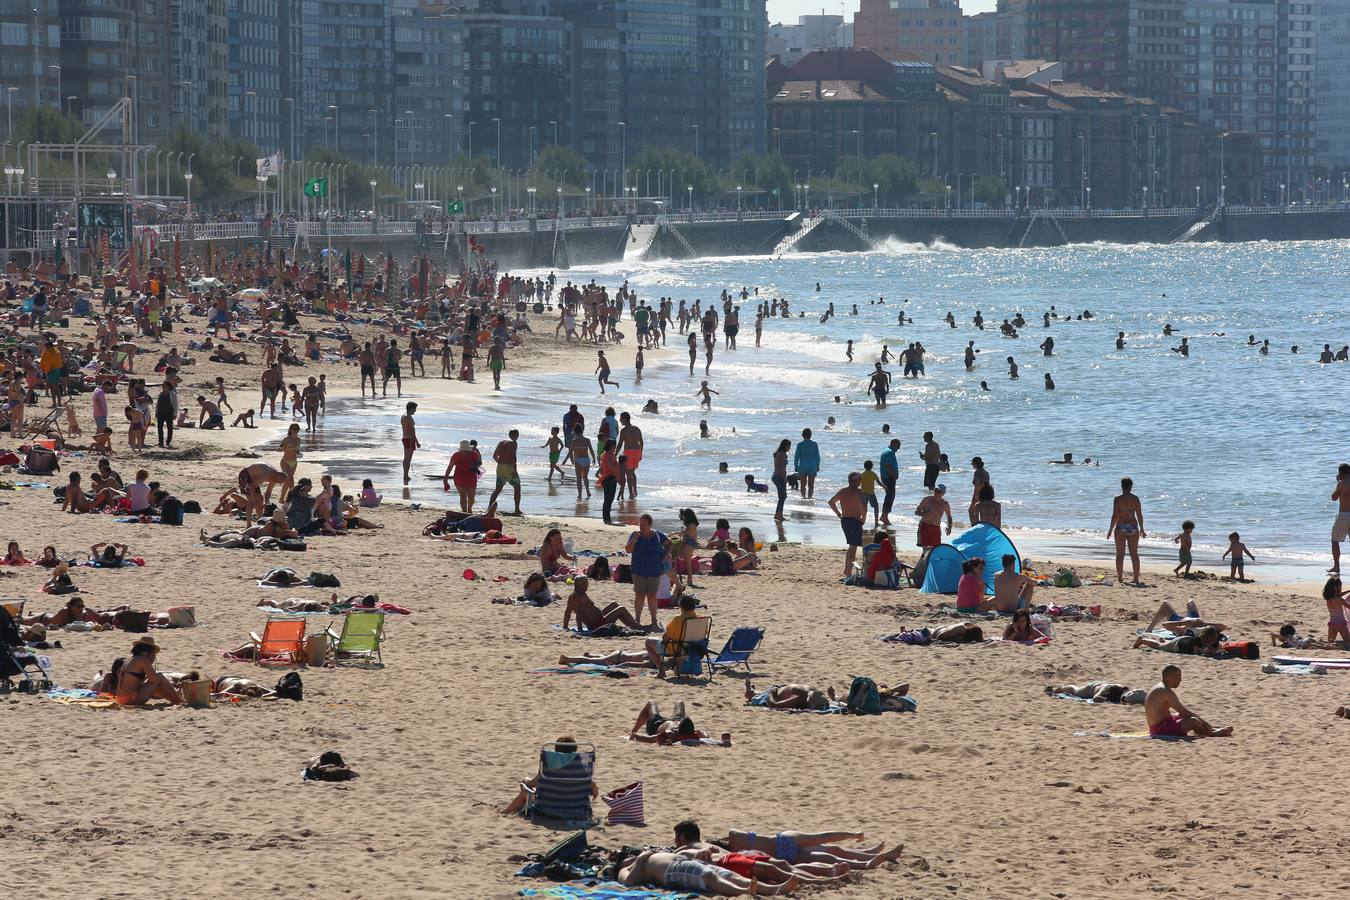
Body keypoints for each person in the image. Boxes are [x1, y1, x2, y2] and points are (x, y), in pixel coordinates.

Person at [615, 849, 794, 896]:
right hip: (673, 871)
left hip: (684, 862)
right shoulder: (624, 869)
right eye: (628, 857)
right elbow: (628, 883)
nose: (632, 856)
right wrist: (639, 859)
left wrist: (696, 854)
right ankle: (746, 891)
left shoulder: (642, 859)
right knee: (708, 877)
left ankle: (776, 888)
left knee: (732, 876)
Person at [500, 735, 598, 816]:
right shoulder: (580, 766)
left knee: (525, 789)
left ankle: (505, 812)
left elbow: (535, 782)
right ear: (575, 750)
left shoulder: (550, 762)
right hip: (576, 809)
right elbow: (590, 787)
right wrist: (593, 786)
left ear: (556, 750)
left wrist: (526, 783)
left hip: (548, 808)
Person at [1144, 665, 1232, 737]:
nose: (1180, 680)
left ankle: (1209, 728)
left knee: (1185, 714)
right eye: (1177, 677)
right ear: (1169, 677)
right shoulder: (1165, 691)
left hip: (1165, 723)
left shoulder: (1160, 687)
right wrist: (1206, 723)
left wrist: (1205, 723)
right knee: (1192, 720)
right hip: (1161, 729)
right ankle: (1210, 732)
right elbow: (1184, 711)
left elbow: (1182, 711)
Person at [626, 513, 670, 628]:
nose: (641, 526)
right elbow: (628, 550)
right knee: (639, 595)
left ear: (650, 525)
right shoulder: (634, 535)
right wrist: (634, 540)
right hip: (638, 570)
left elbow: (670, 544)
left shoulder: (657, 535)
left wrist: (663, 558)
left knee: (652, 595)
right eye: (640, 524)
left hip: (654, 570)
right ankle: (637, 619)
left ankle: (654, 620)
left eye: (644, 524)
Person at [114, 636, 185, 707]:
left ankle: (175, 700)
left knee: (156, 680)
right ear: (150, 652)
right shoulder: (143, 660)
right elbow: (154, 679)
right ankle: (179, 701)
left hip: (120, 699)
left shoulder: (130, 659)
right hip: (131, 699)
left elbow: (136, 680)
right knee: (159, 676)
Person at [629, 701, 730, 746]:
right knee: (680, 702)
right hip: (676, 721)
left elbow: (649, 739)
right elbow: (710, 739)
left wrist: (635, 735)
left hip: (657, 724)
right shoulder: (697, 734)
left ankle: (635, 728)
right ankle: (635, 728)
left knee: (651, 703)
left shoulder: (670, 734)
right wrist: (724, 740)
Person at [563, 576, 640, 631]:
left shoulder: (572, 596)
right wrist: (580, 628)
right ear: (582, 585)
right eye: (587, 584)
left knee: (614, 604)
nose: (587, 586)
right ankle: (636, 626)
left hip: (597, 620)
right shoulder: (581, 596)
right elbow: (579, 613)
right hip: (598, 624)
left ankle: (631, 625)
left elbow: (567, 612)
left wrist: (565, 626)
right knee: (621, 609)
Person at [828, 472, 868, 579]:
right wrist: (863, 519)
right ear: (855, 481)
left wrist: (838, 514)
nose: (861, 481)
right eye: (860, 479)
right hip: (855, 521)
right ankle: (848, 573)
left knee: (851, 546)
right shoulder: (858, 492)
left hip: (845, 520)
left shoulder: (843, 491)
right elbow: (864, 507)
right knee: (853, 547)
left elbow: (831, 502)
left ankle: (847, 570)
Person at [1107, 477, 1145, 586]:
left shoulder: (1118, 499)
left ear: (1122, 486)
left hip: (1120, 527)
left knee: (1120, 554)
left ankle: (1120, 578)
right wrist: (1142, 528)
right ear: (1131, 486)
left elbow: (1115, 516)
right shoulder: (1135, 499)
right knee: (1134, 554)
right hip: (1133, 527)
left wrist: (1110, 529)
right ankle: (1136, 579)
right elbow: (1139, 515)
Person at [443, 440, 480, 513]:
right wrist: (445, 478)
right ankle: (465, 512)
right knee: (463, 496)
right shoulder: (456, 455)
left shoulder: (474, 454)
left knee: (471, 496)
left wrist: (475, 465)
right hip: (459, 477)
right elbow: (450, 467)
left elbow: (479, 462)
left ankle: (469, 509)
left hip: (471, 477)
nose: (465, 452)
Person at [914, 484, 952, 552]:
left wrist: (949, 527)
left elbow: (949, 517)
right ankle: (925, 561)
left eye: (938, 491)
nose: (936, 493)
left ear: (943, 493)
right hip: (924, 526)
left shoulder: (944, 504)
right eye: (935, 490)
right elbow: (916, 512)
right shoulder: (927, 500)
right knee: (926, 549)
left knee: (936, 549)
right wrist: (923, 513)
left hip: (936, 528)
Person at [879, 438, 901, 526]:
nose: (898, 448)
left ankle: (883, 516)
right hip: (888, 477)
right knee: (890, 497)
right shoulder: (889, 452)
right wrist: (894, 475)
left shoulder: (887, 451)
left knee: (889, 496)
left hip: (886, 477)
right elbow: (888, 466)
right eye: (898, 446)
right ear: (893, 444)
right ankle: (885, 516)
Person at [1333, 463, 1350, 575]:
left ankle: (1337, 566)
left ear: (1341, 473)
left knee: (1334, 540)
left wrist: (1338, 483)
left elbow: (1334, 497)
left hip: (1344, 515)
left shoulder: (1342, 483)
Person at [793, 428, 819, 498]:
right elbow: (817, 457)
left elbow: (796, 457)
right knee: (811, 485)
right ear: (810, 435)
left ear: (803, 435)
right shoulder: (814, 444)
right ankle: (810, 497)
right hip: (812, 466)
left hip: (803, 467)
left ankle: (803, 497)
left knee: (803, 485)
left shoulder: (800, 445)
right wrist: (817, 465)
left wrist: (796, 466)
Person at [1324, 577, 1350, 643]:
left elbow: (1339, 595)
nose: (1341, 588)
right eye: (1340, 586)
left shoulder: (1328, 598)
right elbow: (1348, 607)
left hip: (1332, 624)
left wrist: (1349, 591)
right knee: (1348, 642)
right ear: (1336, 588)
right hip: (1341, 624)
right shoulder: (1340, 600)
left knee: (1330, 643)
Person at [399, 402, 419, 485]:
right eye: (415, 409)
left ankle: (405, 475)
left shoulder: (403, 416)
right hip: (409, 439)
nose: (415, 411)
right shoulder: (408, 417)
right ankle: (405, 476)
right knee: (408, 459)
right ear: (411, 408)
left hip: (405, 437)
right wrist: (417, 442)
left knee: (406, 458)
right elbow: (411, 431)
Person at [772, 438, 791, 521]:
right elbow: (781, 468)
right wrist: (784, 478)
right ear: (785, 446)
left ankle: (778, 514)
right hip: (779, 477)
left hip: (776, 476)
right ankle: (779, 514)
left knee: (782, 496)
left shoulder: (779, 453)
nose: (789, 448)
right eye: (789, 446)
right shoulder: (782, 454)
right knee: (782, 497)